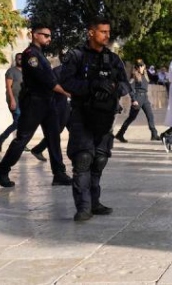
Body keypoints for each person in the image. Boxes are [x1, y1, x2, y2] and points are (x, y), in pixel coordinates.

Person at [59, 17, 133, 221]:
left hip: (105, 117)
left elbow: (126, 85)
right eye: (103, 32)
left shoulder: (113, 59)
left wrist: (113, 88)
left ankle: (94, 202)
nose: (107, 36)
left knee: (100, 159)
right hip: (82, 114)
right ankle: (83, 207)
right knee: (83, 159)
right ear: (90, 32)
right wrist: (91, 86)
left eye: (109, 32)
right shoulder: (76, 56)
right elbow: (65, 82)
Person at [0, 24, 73, 188]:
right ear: (35, 35)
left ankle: (59, 173)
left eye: (50, 36)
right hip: (34, 103)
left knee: (53, 136)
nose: (49, 39)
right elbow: (48, 80)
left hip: (47, 102)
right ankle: (1, 171)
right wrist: (68, 93)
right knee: (22, 139)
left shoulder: (40, 55)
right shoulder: (31, 55)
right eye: (45, 35)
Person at [28, 65, 71, 163]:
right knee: (57, 130)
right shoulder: (58, 70)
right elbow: (52, 85)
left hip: (70, 105)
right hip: (60, 104)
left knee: (75, 130)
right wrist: (67, 92)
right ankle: (38, 150)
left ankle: (79, 155)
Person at [115, 59, 160, 142]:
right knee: (131, 117)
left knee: (150, 115)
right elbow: (131, 89)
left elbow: (156, 78)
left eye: (141, 65)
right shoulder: (135, 76)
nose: (140, 67)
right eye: (138, 66)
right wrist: (134, 100)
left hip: (145, 98)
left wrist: (153, 72)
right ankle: (120, 134)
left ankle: (154, 134)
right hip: (138, 98)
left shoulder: (146, 75)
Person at [0, 53, 23, 148]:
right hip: (14, 100)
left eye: (22, 59)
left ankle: (19, 142)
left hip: (24, 101)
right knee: (18, 122)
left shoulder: (26, 72)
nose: (20, 60)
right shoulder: (11, 71)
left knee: (22, 122)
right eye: (19, 58)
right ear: (16, 59)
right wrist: (12, 100)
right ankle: (1, 138)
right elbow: (8, 87)